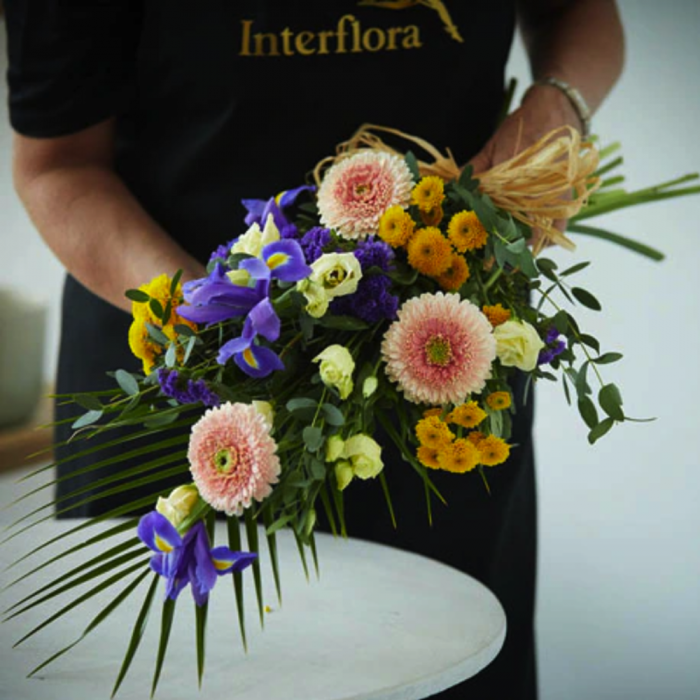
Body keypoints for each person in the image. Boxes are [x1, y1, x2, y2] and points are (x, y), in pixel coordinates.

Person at [4, 1, 623, 697]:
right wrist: (232, 324)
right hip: (179, 364)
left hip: (444, 355)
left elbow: (580, 10)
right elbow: (57, 167)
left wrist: (559, 105)